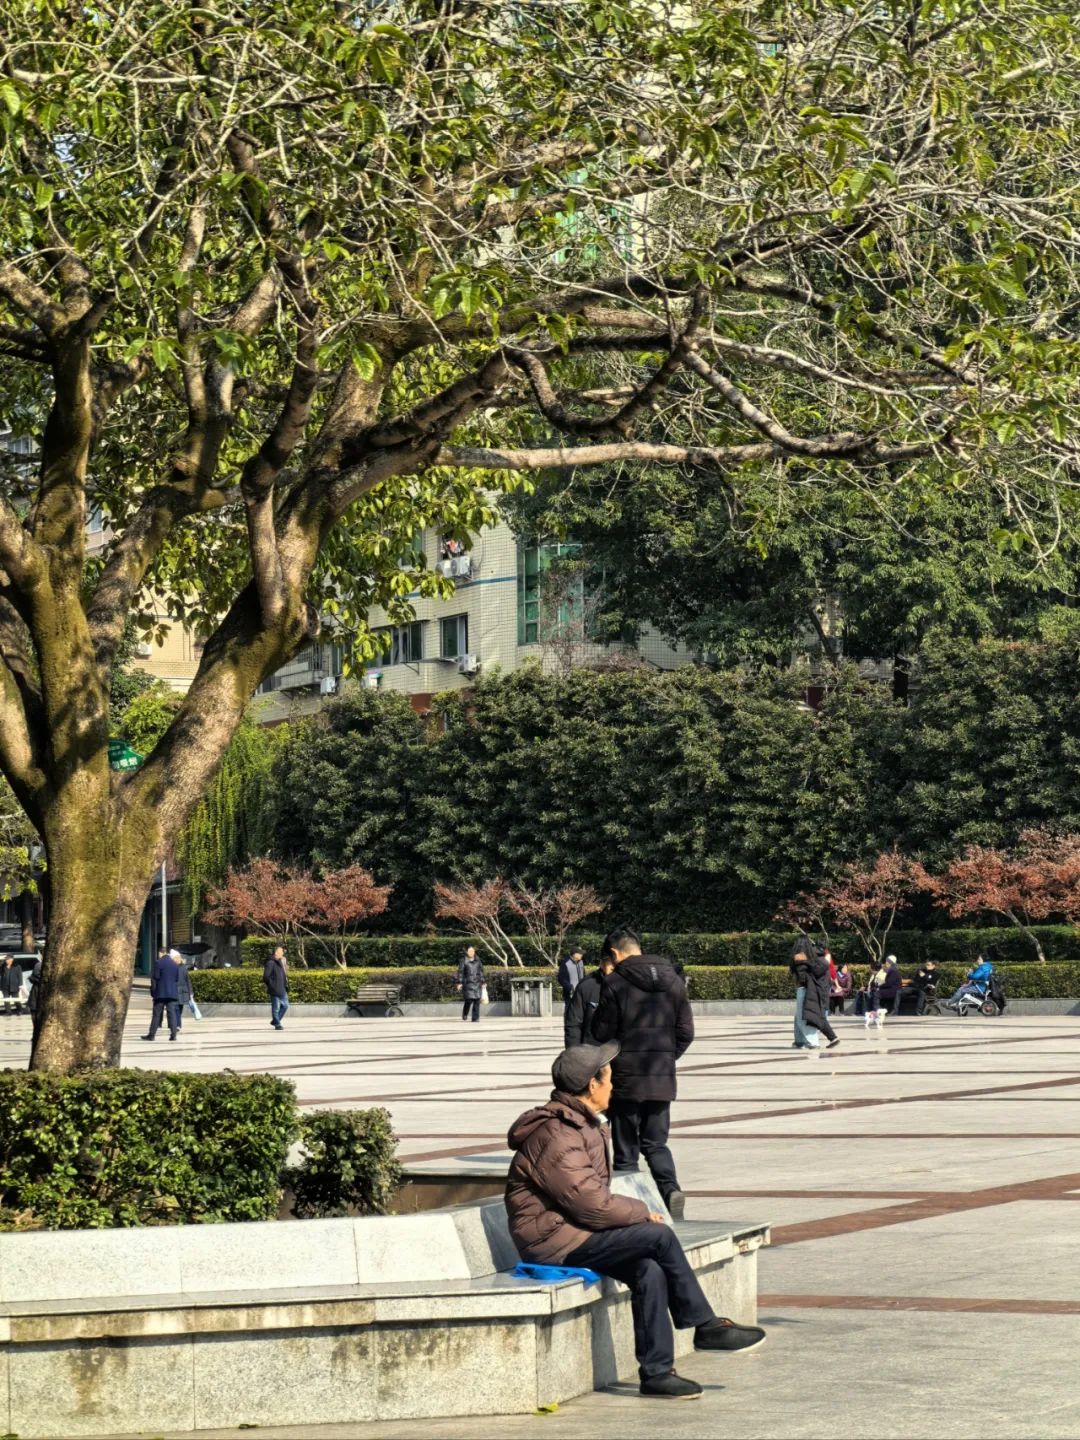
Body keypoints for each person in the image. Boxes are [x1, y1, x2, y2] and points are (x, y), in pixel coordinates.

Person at [505, 1041, 766, 1401]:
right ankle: (705, 1326)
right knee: (658, 1236)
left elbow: (588, 1203)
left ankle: (657, 1374)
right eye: (609, 1077)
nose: (614, 1083)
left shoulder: (579, 1125)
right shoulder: (557, 1135)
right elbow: (589, 1204)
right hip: (553, 1243)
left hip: (576, 1234)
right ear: (592, 1085)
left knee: (649, 1270)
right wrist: (642, 1213)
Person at [590, 927, 693, 1220]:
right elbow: (686, 1032)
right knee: (656, 1143)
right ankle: (670, 1190)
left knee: (625, 1152)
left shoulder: (615, 983)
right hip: (661, 1077)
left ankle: (632, 1212)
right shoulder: (674, 982)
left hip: (625, 1080)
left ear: (614, 953)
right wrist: (666, 1058)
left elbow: (601, 1032)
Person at [790, 938, 839, 1050]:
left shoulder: (803, 957)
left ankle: (813, 1042)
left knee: (807, 1017)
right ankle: (800, 1041)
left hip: (807, 990)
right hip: (814, 990)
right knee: (803, 1017)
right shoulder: (815, 957)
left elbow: (813, 972)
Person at [564, 953, 615, 1047]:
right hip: (592, 1050)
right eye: (610, 963)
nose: (613, 966)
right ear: (602, 963)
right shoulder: (587, 986)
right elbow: (573, 1024)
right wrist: (574, 1054)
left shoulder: (633, 984)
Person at [142, 946, 181, 1041]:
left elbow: (156, 978)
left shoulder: (158, 963)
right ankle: (173, 1035)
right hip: (172, 993)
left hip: (160, 993)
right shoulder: (175, 964)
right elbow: (176, 979)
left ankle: (151, 1035)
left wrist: (153, 992)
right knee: (171, 1013)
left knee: (156, 1014)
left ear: (161, 953)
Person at [263, 944, 289, 1030]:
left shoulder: (280, 962)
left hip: (282, 988)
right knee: (276, 1007)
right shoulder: (271, 962)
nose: (282, 954)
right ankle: (277, 1024)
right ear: (276, 953)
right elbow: (266, 976)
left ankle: (275, 1020)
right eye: (281, 952)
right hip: (274, 988)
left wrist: (285, 984)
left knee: (285, 1006)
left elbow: (283, 974)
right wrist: (271, 984)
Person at [172, 949, 202, 1023]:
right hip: (177, 992)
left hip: (182, 992)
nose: (178, 959)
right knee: (176, 1009)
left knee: (179, 1008)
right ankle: (178, 1024)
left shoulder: (183, 968)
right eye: (176, 958)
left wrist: (191, 992)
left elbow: (188, 981)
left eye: (179, 957)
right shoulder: (173, 968)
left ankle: (177, 1024)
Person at [457, 944, 484, 1022]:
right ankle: (465, 1013)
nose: (471, 952)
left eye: (473, 951)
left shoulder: (478, 960)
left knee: (477, 1000)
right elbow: (460, 972)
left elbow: (481, 971)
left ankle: (475, 1018)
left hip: (477, 983)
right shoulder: (463, 960)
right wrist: (459, 983)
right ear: (467, 952)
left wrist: (483, 981)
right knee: (468, 1000)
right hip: (468, 983)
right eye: (470, 951)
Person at [864, 963, 886, 1031]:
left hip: (881, 991)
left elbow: (881, 984)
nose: (870, 970)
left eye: (871, 968)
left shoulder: (883, 974)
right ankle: (867, 1013)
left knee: (875, 995)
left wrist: (872, 987)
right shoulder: (873, 975)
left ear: (875, 969)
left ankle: (875, 1014)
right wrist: (866, 988)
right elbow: (870, 984)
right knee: (860, 993)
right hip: (873, 991)